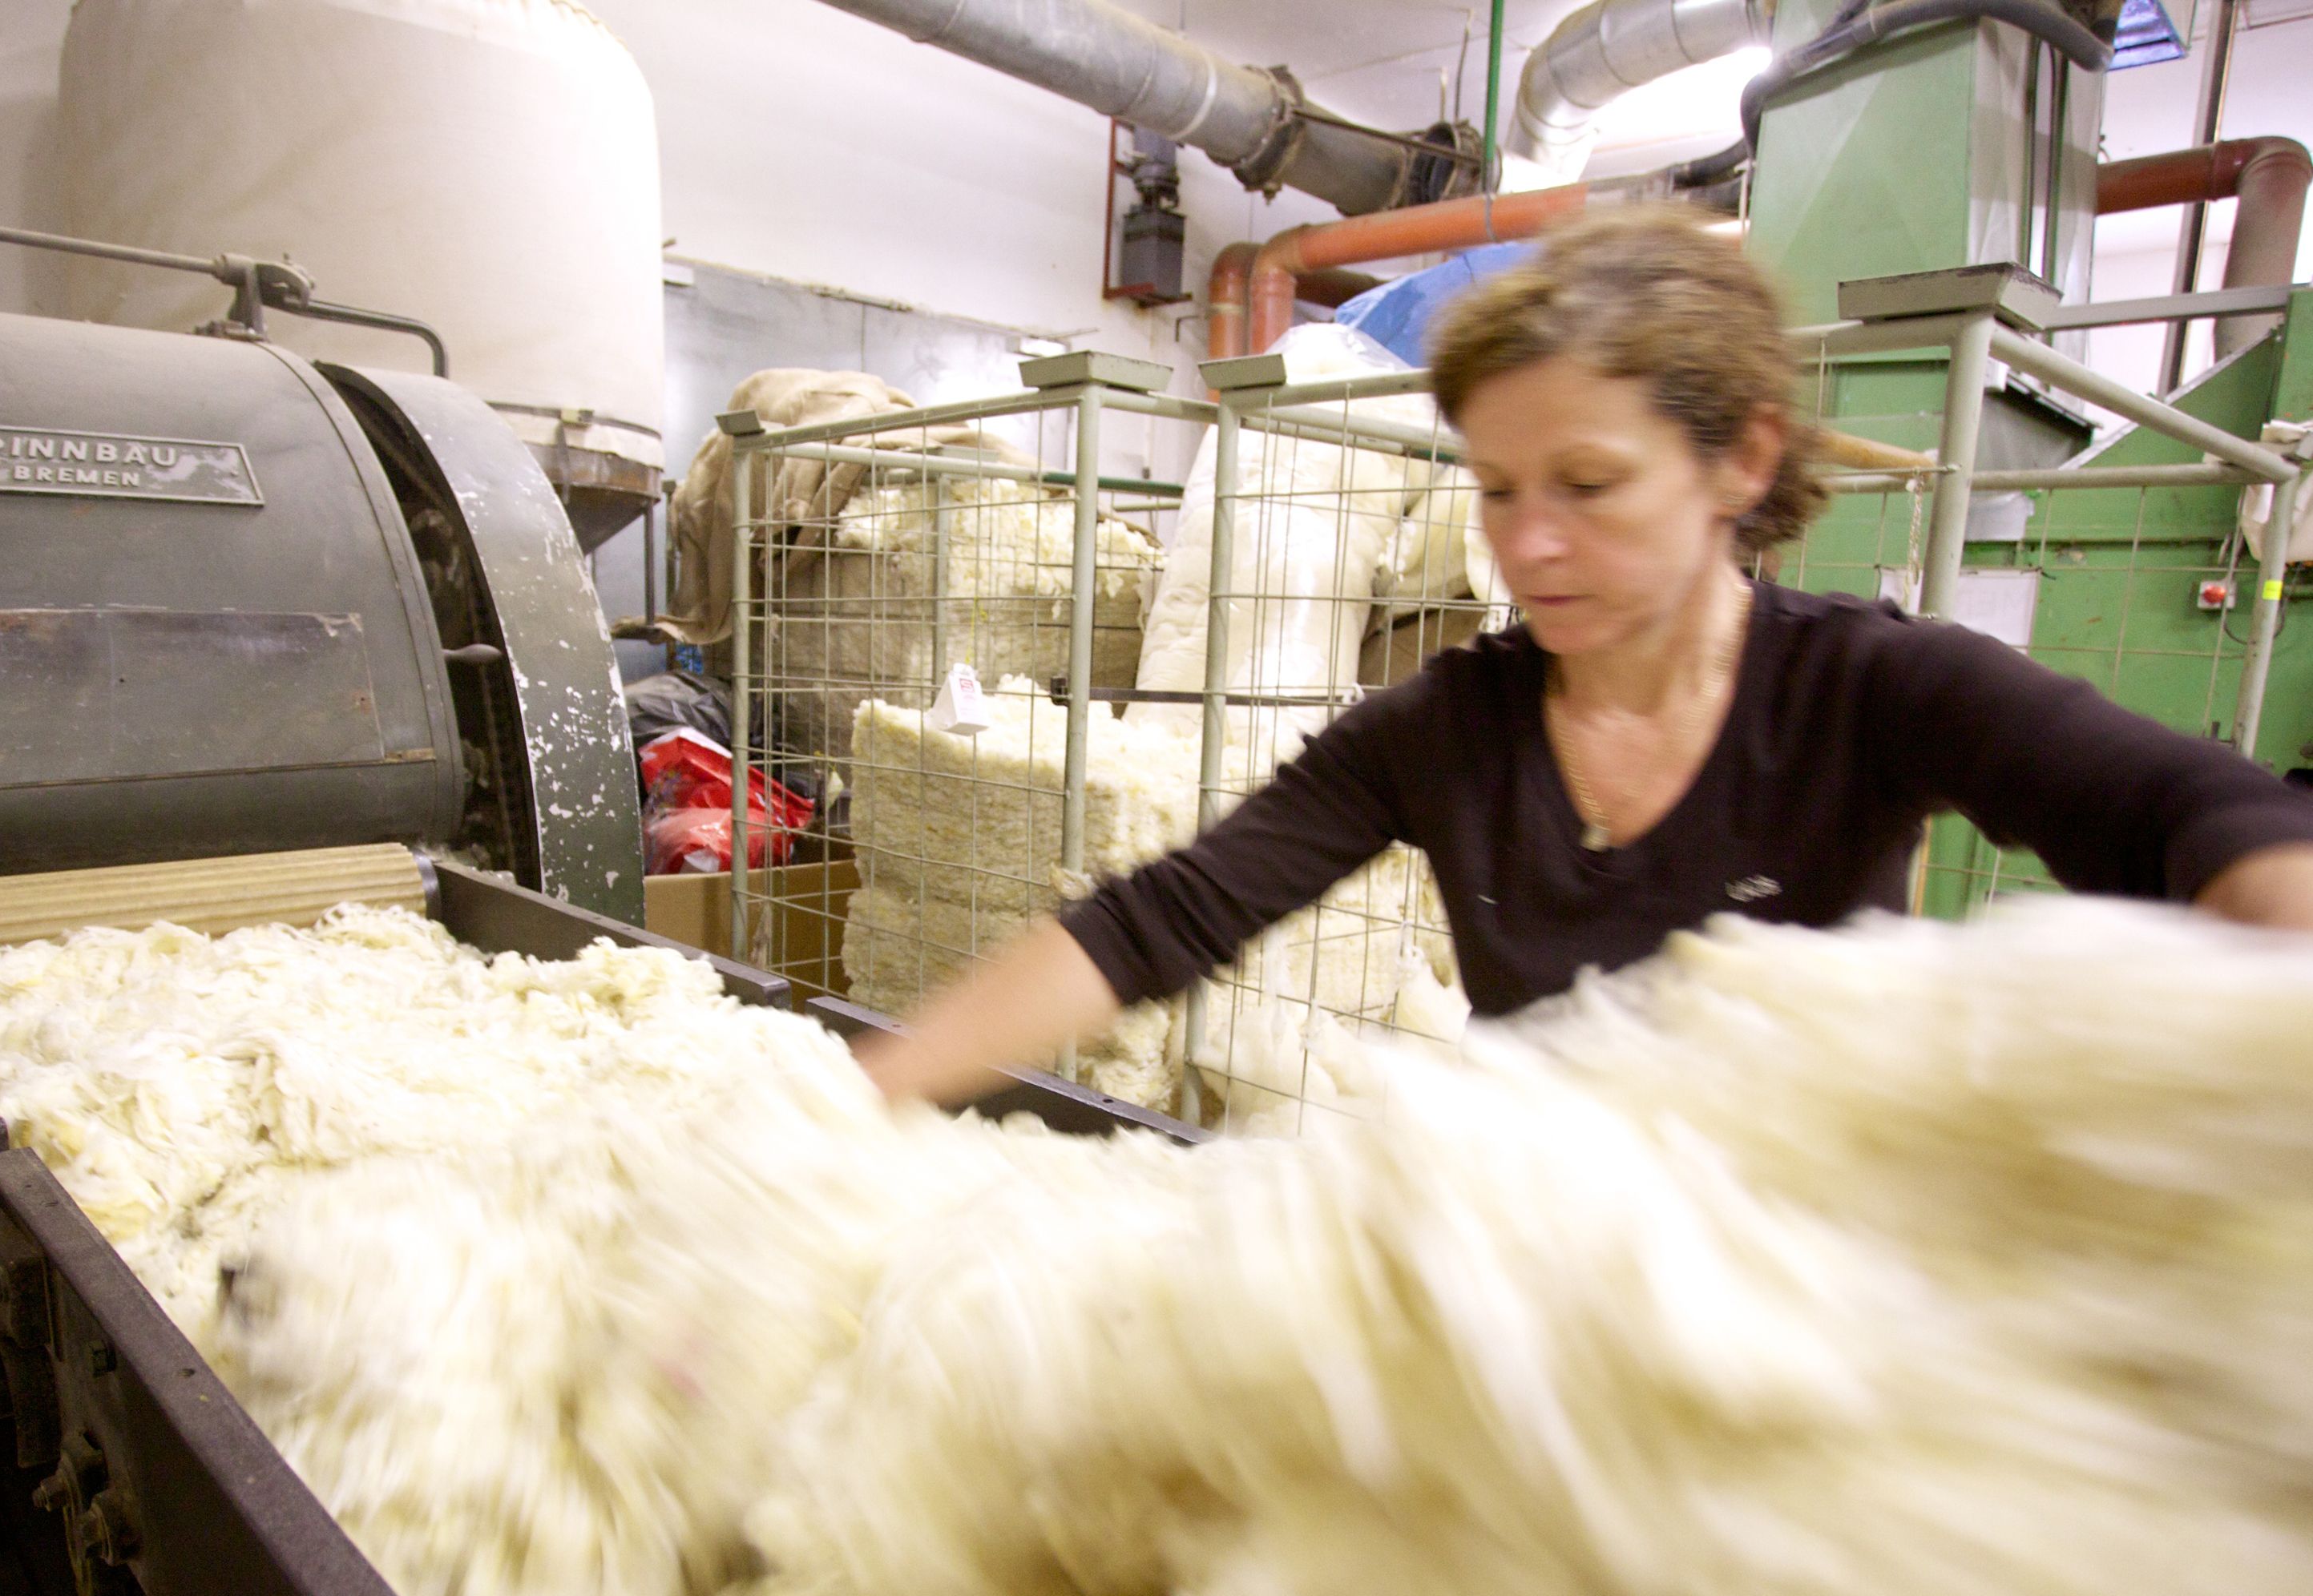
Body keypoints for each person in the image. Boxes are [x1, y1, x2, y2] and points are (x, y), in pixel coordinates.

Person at [858, 206, 2313, 1106]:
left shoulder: (1872, 692)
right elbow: (1157, 921)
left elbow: (2199, 817)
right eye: (1498, 489)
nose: (1529, 545)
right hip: (1561, 1295)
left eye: (1589, 485)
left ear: (1737, 458)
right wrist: (858, 1097)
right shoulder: (1448, 730)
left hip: (1802, 1291)